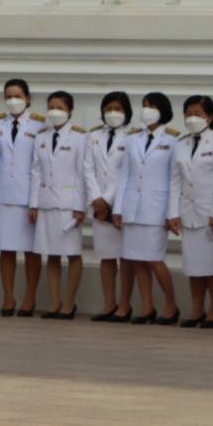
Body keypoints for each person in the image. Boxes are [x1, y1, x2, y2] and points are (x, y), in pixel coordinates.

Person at [112, 92, 181, 325]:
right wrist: (118, 208)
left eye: (151, 106)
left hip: (156, 208)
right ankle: (147, 306)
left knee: (154, 259)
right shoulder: (132, 139)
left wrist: (172, 213)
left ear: (163, 110)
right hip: (132, 206)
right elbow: (124, 175)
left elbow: (174, 179)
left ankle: (171, 304)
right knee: (136, 259)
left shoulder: (173, 140)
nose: (146, 110)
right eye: (144, 106)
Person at [168, 95, 213, 328]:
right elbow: (175, 181)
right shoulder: (181, 143)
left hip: (212, 215)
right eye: (188, 113)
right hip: (189, 213)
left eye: (198, 113)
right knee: (194, 266)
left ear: (210, 116)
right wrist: (172, 213)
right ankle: (197, 309)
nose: (192, 118)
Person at [28, 90, 88, 320]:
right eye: (51, 107)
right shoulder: (41, 136)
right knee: (51, 254)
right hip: (45, 202)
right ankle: (54, 302)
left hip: (69, 204)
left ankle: (69, 303)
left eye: (60, 108)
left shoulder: (79, 137)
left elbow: (83, 173)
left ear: (70, 111)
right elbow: (35, 172)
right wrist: (33, 204)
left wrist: (81, 206)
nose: (55, 111)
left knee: (72, 254)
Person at [0, 78, 44, 317]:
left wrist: (35, 202)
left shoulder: (39, 125)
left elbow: (39, 166)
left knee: (31, 251)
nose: (13, 100)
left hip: (28, 195)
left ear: (28, 98)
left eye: (18, 96)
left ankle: (30, 297)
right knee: (7, 249)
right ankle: (9, 297)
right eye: (8, 96)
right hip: (3, 194)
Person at [86, 92, 132, 322]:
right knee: (105, 257)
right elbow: (88, 169)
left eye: (118, 109)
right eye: (108, 108)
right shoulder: (93, 135)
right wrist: (97, 198)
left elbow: (126, 173)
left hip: (119, 205)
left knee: (124, 258)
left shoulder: (133, 136)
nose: (113, 113)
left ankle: (124, 305)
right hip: (98, 206)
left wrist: (108, 200)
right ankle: (108, 304)